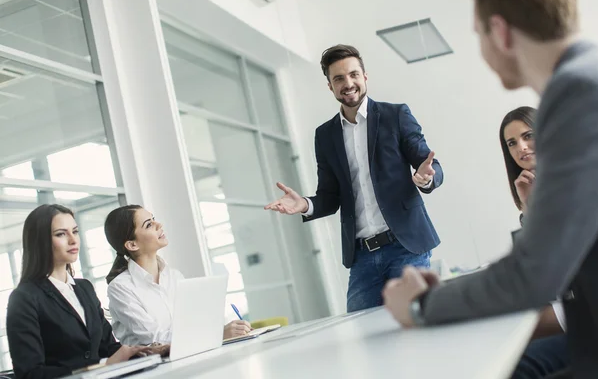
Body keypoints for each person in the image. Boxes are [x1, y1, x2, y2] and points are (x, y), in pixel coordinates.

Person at [383, 0, 598, 376]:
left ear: (499, 33)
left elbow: (531, 276)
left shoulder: (577, 92)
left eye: (477, 34)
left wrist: (420, 306)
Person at [265, 44, 444, 312]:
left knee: (416, 326)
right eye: (338, 78)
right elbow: (330, 195)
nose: (348, 83)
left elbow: (430, 165)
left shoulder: (395, 115)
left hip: (405, 247)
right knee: (362, 339)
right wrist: (304, 204)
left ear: (365, 76)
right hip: (362, 256)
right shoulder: (325, 136)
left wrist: (426, 178)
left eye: (353, 75)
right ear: (330, 86)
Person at [6, 204, 152, 379]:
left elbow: (108, 347)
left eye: (74, 231)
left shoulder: (84, 288)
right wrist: (103, 366)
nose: (73, 240)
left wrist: (147, 351)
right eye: (61, 234)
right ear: (40, 241)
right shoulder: (24, 298)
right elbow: (30, 373)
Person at [105, 205, 251, 346]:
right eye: (149, 224)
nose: (159, 224)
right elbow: (154, 338)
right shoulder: (120, 288)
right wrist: (218, 333)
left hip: (192, 355)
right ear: (132, 245)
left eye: (153, 218)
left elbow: (194, 322)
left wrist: (225, 329)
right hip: (155, 367)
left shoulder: (174, 276)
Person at [500, 107, 569, 378]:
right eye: (512, 143)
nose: (522, 147)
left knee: (513, 353)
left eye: (528, 135)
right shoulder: (534, 190)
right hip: (568, 300)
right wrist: (529, 208)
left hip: (585, 306)